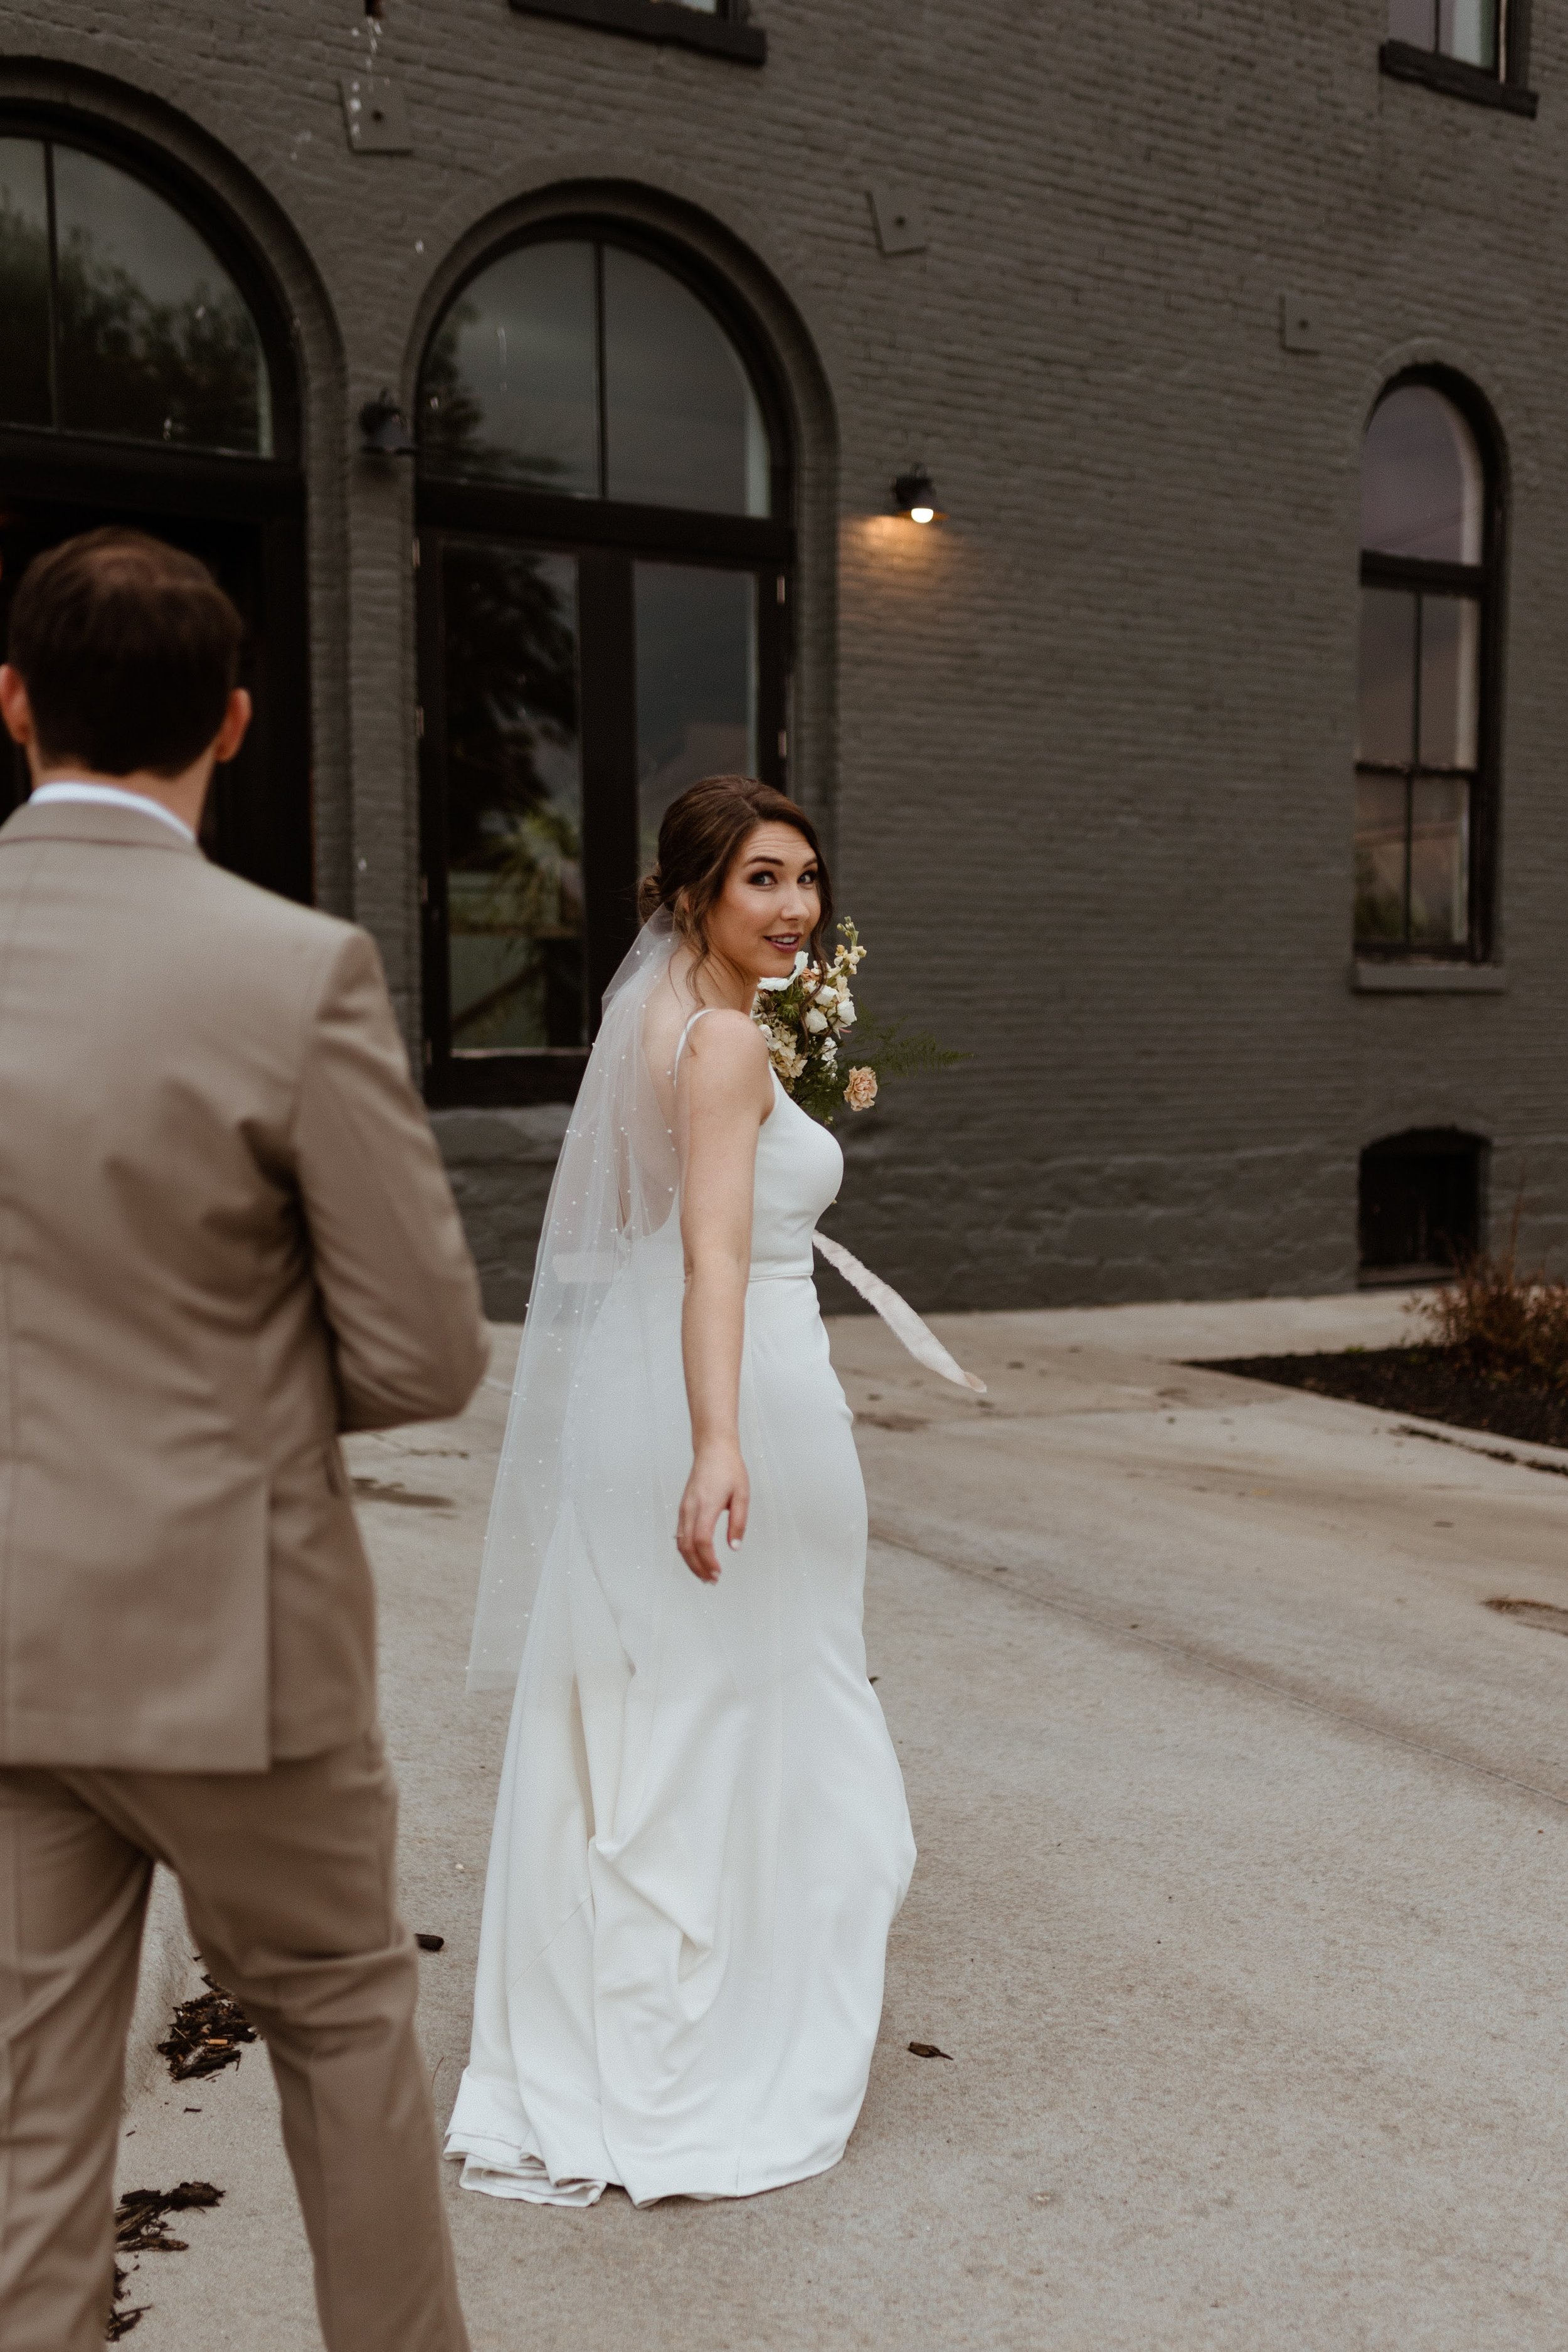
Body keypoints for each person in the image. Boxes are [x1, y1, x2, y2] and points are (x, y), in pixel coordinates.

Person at [0, 529, 488, 2352]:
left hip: (6, 1643)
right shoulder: (294, 969)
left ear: (12, 704)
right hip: (239, 1645)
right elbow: (426, 1350)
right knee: (345, 2031)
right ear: (236, 723)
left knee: (25, 2115)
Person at [446, 773, 916, 2206]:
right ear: (692, 895)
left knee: (669, 1707)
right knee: (768, 1698)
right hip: (734, 1383)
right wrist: (721, 1445)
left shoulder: (669, 1023)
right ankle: (706, 2047)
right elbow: (718, 1255)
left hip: (641, 1388)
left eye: (805, 878)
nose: (794, 908)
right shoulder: (716, 1042)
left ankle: (623, 2026)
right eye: (761, 881)